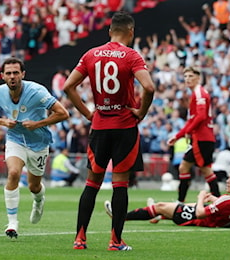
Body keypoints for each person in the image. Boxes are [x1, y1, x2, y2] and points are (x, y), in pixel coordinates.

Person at [63, 11, 155, 251]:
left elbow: (68, 86)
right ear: (131, 31)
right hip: (124, 125)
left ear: (109, 31)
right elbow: (149, 87)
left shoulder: (91, 54)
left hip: (100, 125)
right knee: (120, 184)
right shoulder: (131, 55)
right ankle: (115, 241)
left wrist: (87, 113)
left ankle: (79, 239)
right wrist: (141, 112)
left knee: (92, 183)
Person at [0, 57, 69, 239]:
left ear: (23, 74)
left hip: (38, 143)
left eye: (16, 72)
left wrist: (38, 123)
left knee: (34, 186)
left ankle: (39, 201)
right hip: (15, 139)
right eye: (8, 73)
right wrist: (3, 121)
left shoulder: (37, 91)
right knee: (13, 173)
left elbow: (63, 113)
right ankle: (12, 223)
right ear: (2, 76)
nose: (12, 76)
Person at [104, 164, 230, 228]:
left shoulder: (226, 200)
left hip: (199, 220)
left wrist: (201, 198)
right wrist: (214, 200)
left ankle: (120, 216)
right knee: (178, 207)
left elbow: (200, 214)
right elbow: (225, 207)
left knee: (160, 206)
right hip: (215, 219)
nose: (227, 181)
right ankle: (158, 216)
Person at [166, 66, 221, 203]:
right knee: (204, 170)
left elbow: (201, 116)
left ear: (198, 77)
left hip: (202, 138)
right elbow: (194, 119)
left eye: (191, 76)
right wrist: (179, 135)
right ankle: (219, 201)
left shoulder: (200, 93)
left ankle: (180, 202)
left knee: (186, 167)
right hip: (203, 138)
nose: (187, 79)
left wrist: (186, 132)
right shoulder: (196, 93)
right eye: (185, 77)